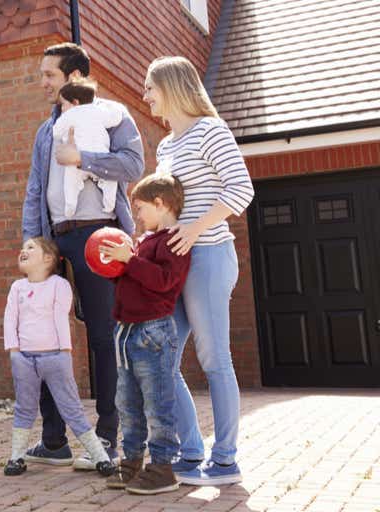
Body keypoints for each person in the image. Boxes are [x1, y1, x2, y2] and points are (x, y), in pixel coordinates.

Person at [22, 42, 145, 470]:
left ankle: (109, 436)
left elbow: (133, 165)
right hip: (55, 241)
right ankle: (53, 440)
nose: (43, 83)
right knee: (45, 339)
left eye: (49, 75)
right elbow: (36, 189)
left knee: (102, 337)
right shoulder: (44, 131)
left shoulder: (113, 116)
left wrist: (83, 158)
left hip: (99, 235)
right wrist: (33, 244)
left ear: (73, 77)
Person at [142, 56, 254, 486]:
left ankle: (224, 459)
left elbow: (240, 189)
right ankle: (191, 451)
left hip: (208, 256)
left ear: (171, 87)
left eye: (151, 87)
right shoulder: (166, 145)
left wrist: (193, 229)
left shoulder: (211, 130)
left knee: (214, 359)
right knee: (161, 359)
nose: (147, 95)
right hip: (175, 263)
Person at [99, 173, 190, 494]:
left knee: (157, 402)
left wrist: (131, 260)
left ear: (160, 203)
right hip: (125, 331)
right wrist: (115, 267)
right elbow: (131, 280)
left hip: (153, 332)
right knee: (128, 402)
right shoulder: (142, 242)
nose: (137, 216)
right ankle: (131, 461)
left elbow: (165, 282)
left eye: (139, 208)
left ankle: (163, 466)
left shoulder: (174, 240)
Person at [2, 237, 115, 478]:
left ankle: (100, 457)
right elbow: (10, 319)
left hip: (55, 357)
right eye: (23, 247)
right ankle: (16, 457)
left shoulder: (58, 285)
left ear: (48, 258)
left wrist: (65, 352)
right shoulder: (17, 288)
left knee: (71, 408)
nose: (23, 250)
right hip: (24, 359)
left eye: (31, 247)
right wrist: (14, 351)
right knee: (25, 407)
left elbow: (61, 319)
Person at [53, 78, 123, 217]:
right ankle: (109, 204)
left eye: (63, 104)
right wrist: (114, 107)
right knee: (110, 181)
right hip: (100, 159)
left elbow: (56, 132)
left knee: (70, 182)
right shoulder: (98, 110)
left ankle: (70, 207)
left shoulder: (69, 114)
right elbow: (115, 118)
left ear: (75, 102)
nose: (62, 108)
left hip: (77, 160)